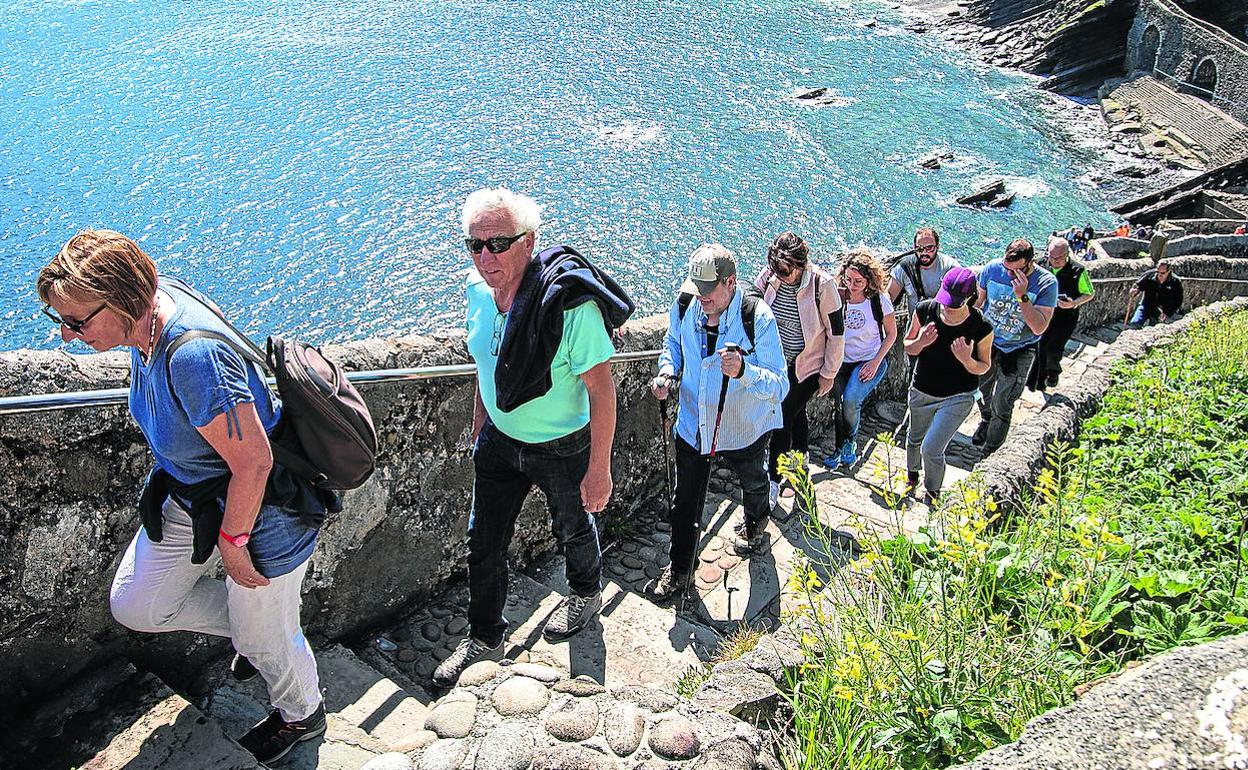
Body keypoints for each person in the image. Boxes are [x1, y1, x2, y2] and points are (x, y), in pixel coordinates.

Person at [38, 229, 328, 765]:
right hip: (192, 496)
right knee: (138, 603)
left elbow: (254, 461)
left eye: (77, 321)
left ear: (124, 299)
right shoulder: (146, 318)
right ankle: (262, 633)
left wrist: (234, 543)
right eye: (62, 322)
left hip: (263, 513)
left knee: (266, 636)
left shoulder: (192, 356)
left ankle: (302, 714)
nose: (70, 335)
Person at [434, 187, 632, 688]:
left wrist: (599, 468)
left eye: (498, 243)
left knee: (573, 527)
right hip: (500, 440)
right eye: (474, 245)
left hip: (563, 445)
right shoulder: (477, 292)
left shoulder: (567, 308)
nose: (485, 257)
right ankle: (485, 638)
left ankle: (586, 594)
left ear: (529, 242)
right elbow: (487, 361)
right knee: (483, 541)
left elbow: (601, 390)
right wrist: (483, 415)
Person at [648, 244, 788, 599]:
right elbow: (673, 343)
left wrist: (744, 372)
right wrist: (668, 371)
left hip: (743, 426)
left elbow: (780, 386)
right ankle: (680, 569)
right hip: (694, 424)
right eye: (697, 290)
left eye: (709, 292)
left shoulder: (758, 317)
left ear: (731, 282)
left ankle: (757, 524)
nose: (702, 299)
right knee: (685, 501)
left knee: (754, 482)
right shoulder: (685, 303)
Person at [753, 232, 844, 505]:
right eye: (775, 269)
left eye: (785, 272)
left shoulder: (822, 285)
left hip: (808, 366)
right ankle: (799, 465)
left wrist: (829, 372)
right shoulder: (771, 274)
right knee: (795, 414)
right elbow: (753, 299)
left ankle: (773, 478)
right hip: (777, 363)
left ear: (801, 265)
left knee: (782, 416)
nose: (779, 276)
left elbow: (837, 332)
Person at [902, 267, 993, 502]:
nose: (946, 307)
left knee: (931, 448)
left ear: (969, 298)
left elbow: (984, 366)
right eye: (945, 300)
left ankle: (932, 491)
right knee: (914, 438)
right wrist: (920, 342)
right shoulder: (926, 309)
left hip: (958, 396)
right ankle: (912, 475)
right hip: (922, 388)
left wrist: (966, 359)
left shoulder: (980, 327)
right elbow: (907, 345)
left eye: (953, 303)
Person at [972, 239, 1058, 456]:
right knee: (980, 389)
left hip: (1020, 348)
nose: (1010, 274)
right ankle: (986, 418)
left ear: (1029, 263)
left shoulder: (1047, 283)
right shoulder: (992, 269)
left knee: (1004, 401)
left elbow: (1039, 327)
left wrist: (1023, 296)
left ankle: (990, 451)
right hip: (989, 342)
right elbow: (978, 303)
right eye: (1007, 269)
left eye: (1016, 271)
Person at [831, 249, 898, 468]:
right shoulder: (839, 297)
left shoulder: (879, 301)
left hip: (869, 359)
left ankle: (850, 442)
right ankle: (839, 448)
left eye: (858, 281)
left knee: (850, 400)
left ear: (869, 280)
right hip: (842, 360)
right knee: (838, 404)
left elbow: (892, 334)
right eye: (848, 279)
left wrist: (876, 361)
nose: (852, 285)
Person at [1030, 237, 1095, 390]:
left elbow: (1090, 293)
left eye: (1058, 258)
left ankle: (1053, 373)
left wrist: (1074, 303)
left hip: (1065, 317)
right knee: (1039, 346)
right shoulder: (1040, 264)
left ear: (1067, 254)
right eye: (1051, 256)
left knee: (1054, 348)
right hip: (1042, 313)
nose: (1054, 261)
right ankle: (1036, 382)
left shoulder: (1078, 270)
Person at [886, 227, 962, 312]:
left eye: (930, 248)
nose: (925, 253)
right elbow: (887, 300)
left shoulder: (950, 268)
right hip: (915, 324)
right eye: (920, 248)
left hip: (943, 322)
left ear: (937, 247)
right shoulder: (904, 268)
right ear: (914, 247)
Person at [1128, 260, 1183, 327]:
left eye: (1162, 273)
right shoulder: (1149, 275)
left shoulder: (1175, 282)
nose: (1159, 275)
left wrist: (1168, 313)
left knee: (1155, 328)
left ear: (1168, 272)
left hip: (1162, 311)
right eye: (1157, 272)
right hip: (1146, 305)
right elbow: (1138, 285)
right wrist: (1135, 290)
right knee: (1134, 324)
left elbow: (1178, 300)